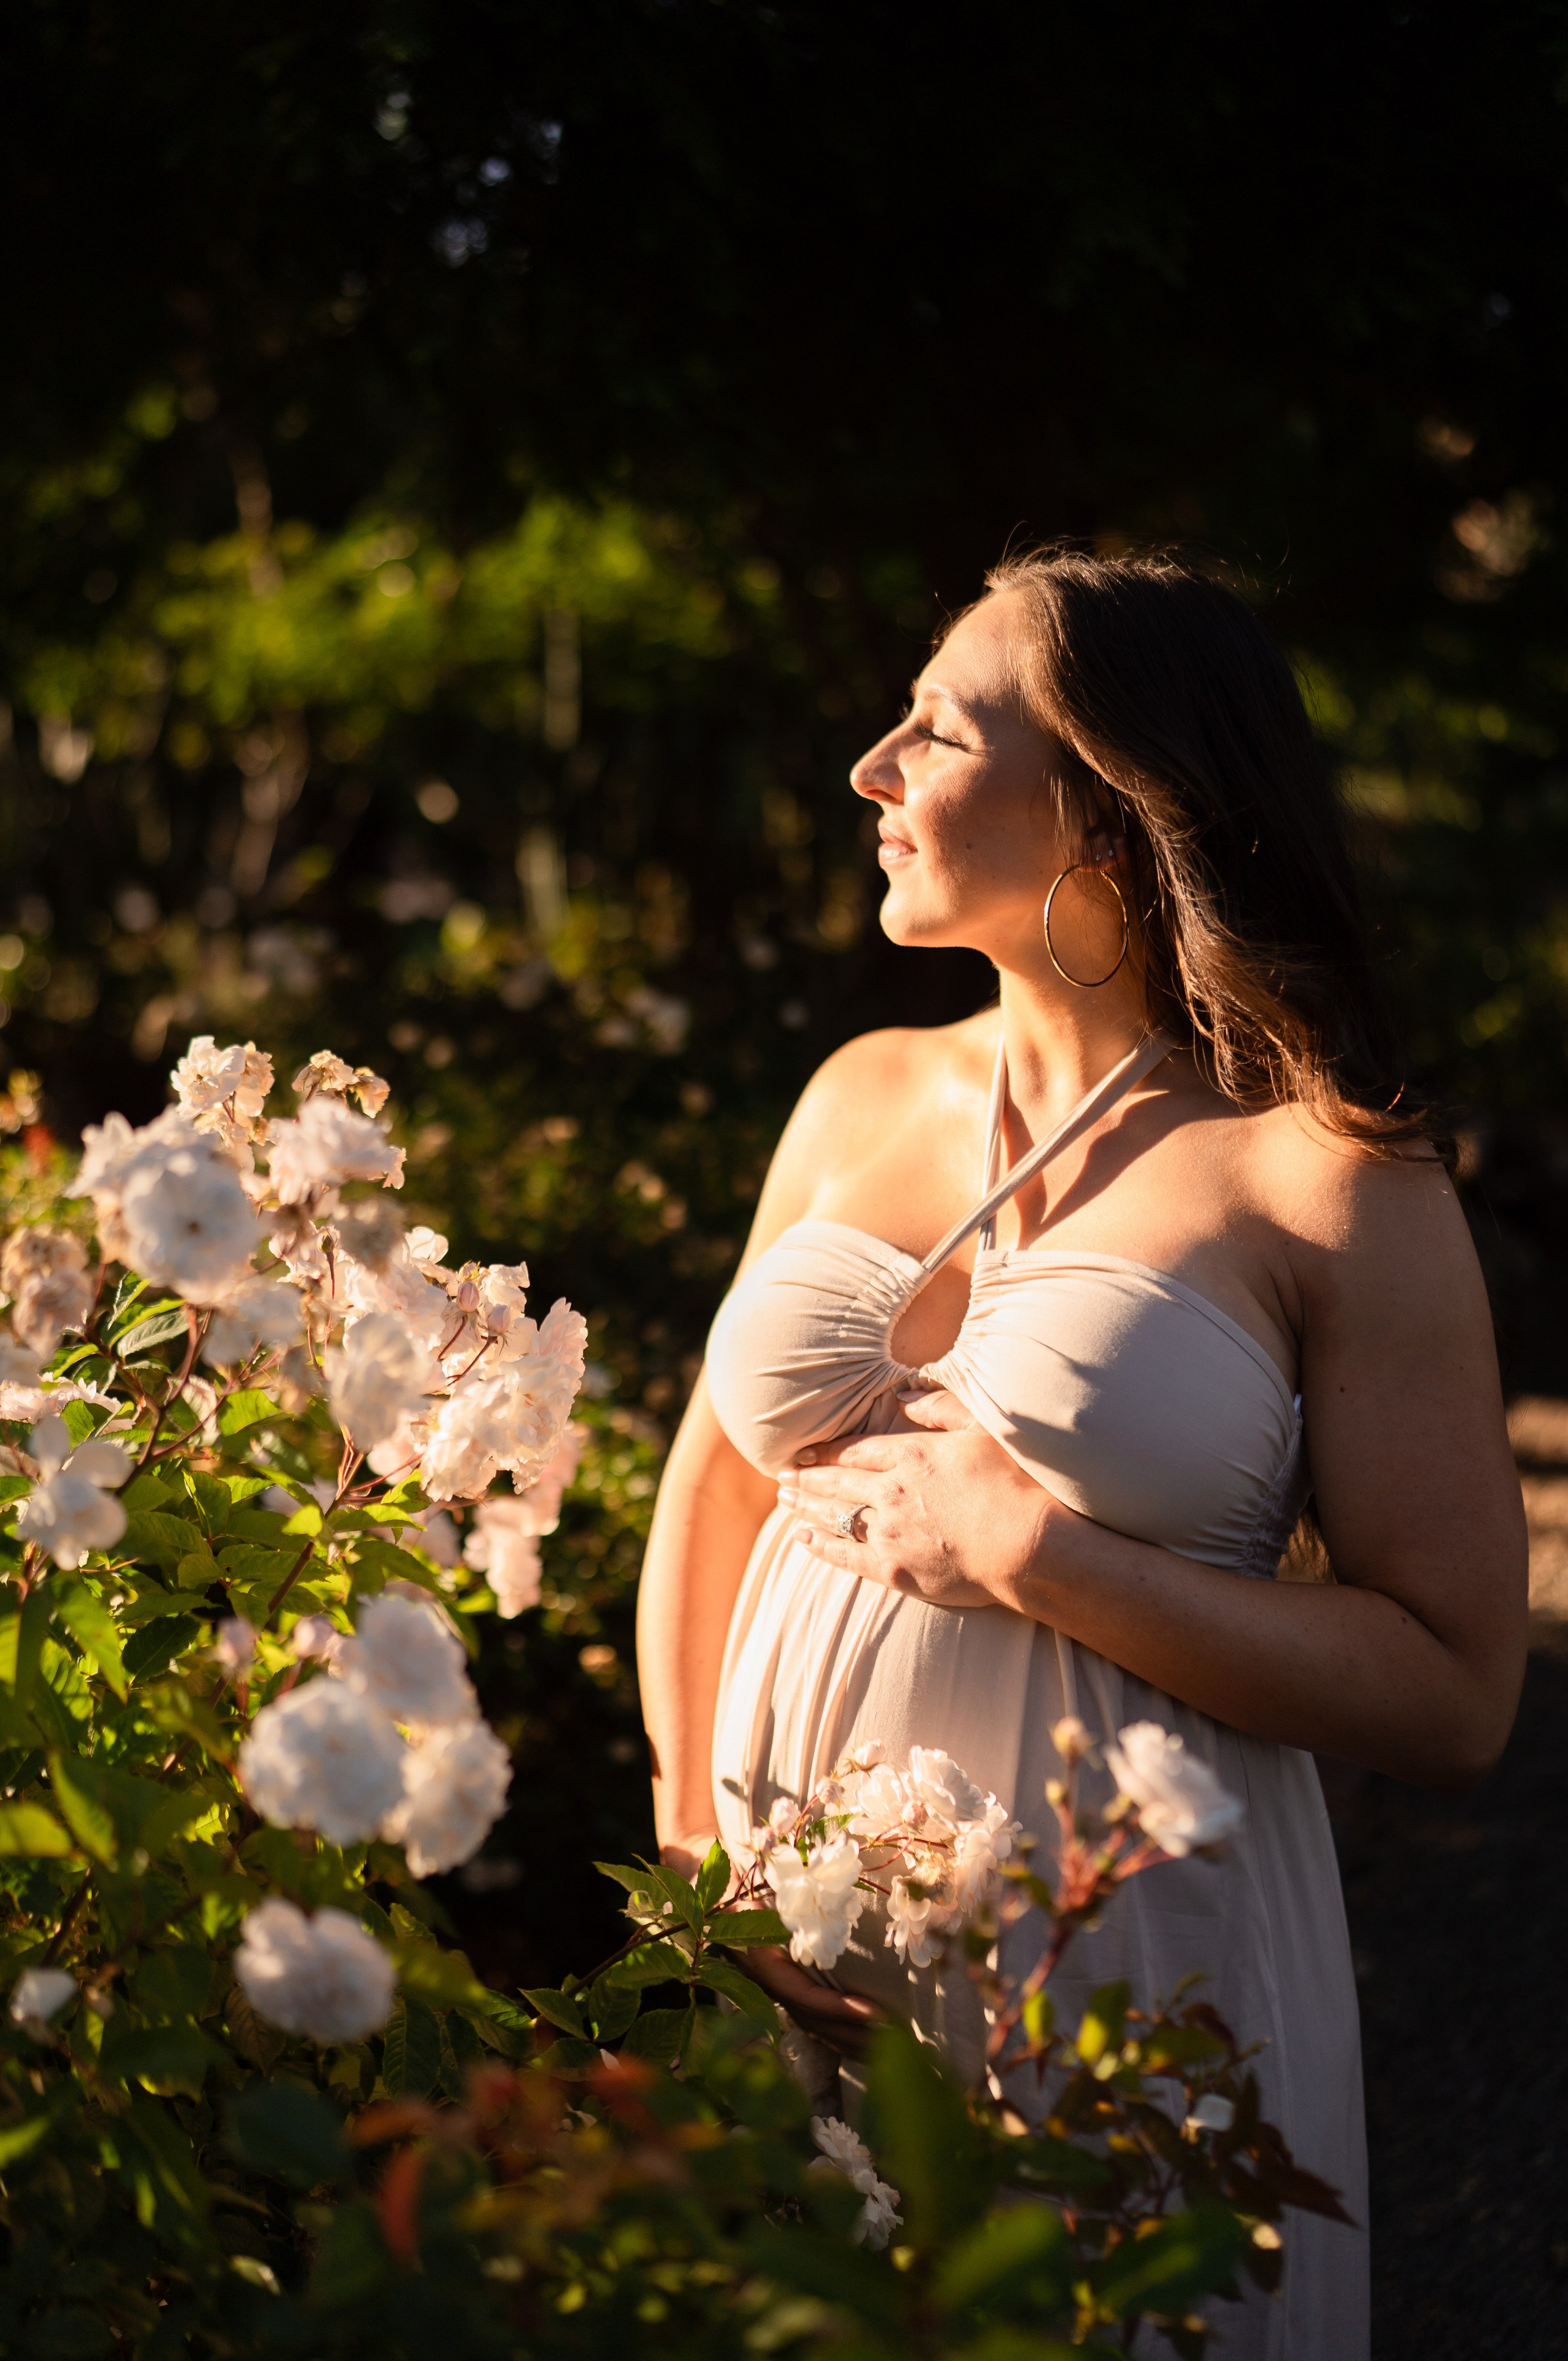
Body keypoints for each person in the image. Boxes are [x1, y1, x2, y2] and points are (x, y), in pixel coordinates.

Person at [635, 548, 1527, 2358]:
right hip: (780, 1942)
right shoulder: (860, 1094)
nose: (872, 770)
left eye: (935, 731)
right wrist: (691, 1853)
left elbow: (1459, 1690)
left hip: (1119, 1971)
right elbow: (713, 1484)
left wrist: (1043, 1558)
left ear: (1112, 807)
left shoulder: (1330, 1180)